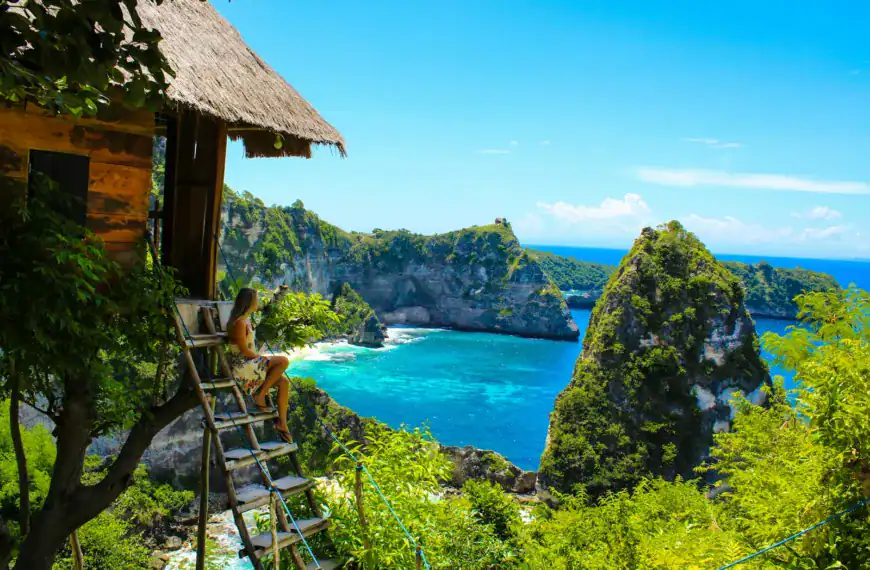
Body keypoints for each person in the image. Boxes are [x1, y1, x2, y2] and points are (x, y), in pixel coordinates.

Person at [226, 287, 292, 442]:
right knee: (283, 361)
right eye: (256, 299)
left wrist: (262, 359)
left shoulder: (247, 320)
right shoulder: (239, 323)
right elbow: (244, 351)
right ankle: (261, 394)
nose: (259, 302)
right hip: (242, 365)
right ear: (249, 302)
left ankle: (282, 423)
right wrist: (262, 358)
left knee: (283, 382)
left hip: (250, 362)